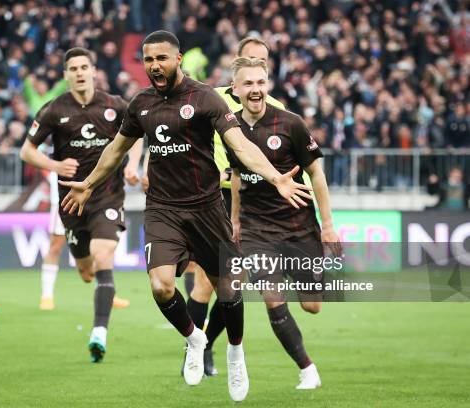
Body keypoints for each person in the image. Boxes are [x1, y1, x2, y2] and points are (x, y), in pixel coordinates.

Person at [59, 31, 312, 402]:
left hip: (207, 208)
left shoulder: (205, 97)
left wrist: (275, 177)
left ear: (177, 59)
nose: (154, 66)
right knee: (161, 286)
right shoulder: (141, 103)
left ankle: (235, 354)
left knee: (228, 288)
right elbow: (116, 149)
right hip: (163, 209)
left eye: (161, 58)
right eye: (148, 60)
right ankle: (194, 338)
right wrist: (89, 183)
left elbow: (239, 143)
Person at [20, 47, 142, 363]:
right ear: (66, 75)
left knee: (104, 258)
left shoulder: (115, 105)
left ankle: (99, 332)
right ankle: (99, 288)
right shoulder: (53, 110)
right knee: (86, 271)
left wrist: (133, 166)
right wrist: (54, 165)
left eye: (83, 67)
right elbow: (27, 151)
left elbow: (139, 134)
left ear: (93, 70)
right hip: (72, 202)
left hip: (107, 196)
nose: (79, 72)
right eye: (72, 68)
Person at [227, 57, 341, 389]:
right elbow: (236, 176)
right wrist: (234, 220)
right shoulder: (229, 127)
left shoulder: (291, 124)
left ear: (268, 86)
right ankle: (307, 369)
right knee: (272, 297)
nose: (255, 89)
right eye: (248, 84)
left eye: (260, 82)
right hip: (256, 229)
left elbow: (316, 174)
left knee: (312, 305)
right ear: (235, 90)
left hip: (299, 227)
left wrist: (328, 225)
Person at [183, 35, 288, 377]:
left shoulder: (277, 110)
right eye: (251, 60)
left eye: (264, 62)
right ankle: (193, 351)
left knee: (234, 282)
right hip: (215, 196)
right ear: (237, 66)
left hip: (252, 202)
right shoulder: (212, 100)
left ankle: (209, 346)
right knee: (205, 281)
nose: (258, 66)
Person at [39, 164, 132, 311]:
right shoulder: (60, 144)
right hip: (63, 199)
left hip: (92, 198)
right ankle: (47, 296)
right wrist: (56, 167)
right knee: (55, 245)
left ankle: (107, 292)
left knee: (100, 249)